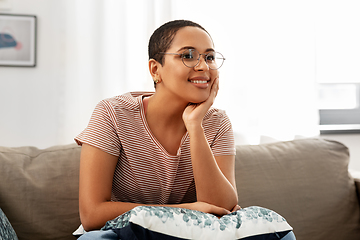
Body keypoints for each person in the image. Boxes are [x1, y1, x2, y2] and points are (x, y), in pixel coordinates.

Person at [75, 20, 295, 240]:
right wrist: (188, 210)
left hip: (192, 235)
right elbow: (92, 214)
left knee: (281, 236)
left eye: (209, 57)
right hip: (128, 232)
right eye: (188, 56)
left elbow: (221, 208)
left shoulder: (217, 122)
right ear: (155, 69)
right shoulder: (113, 113)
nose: (203, 67)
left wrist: (195, 127)